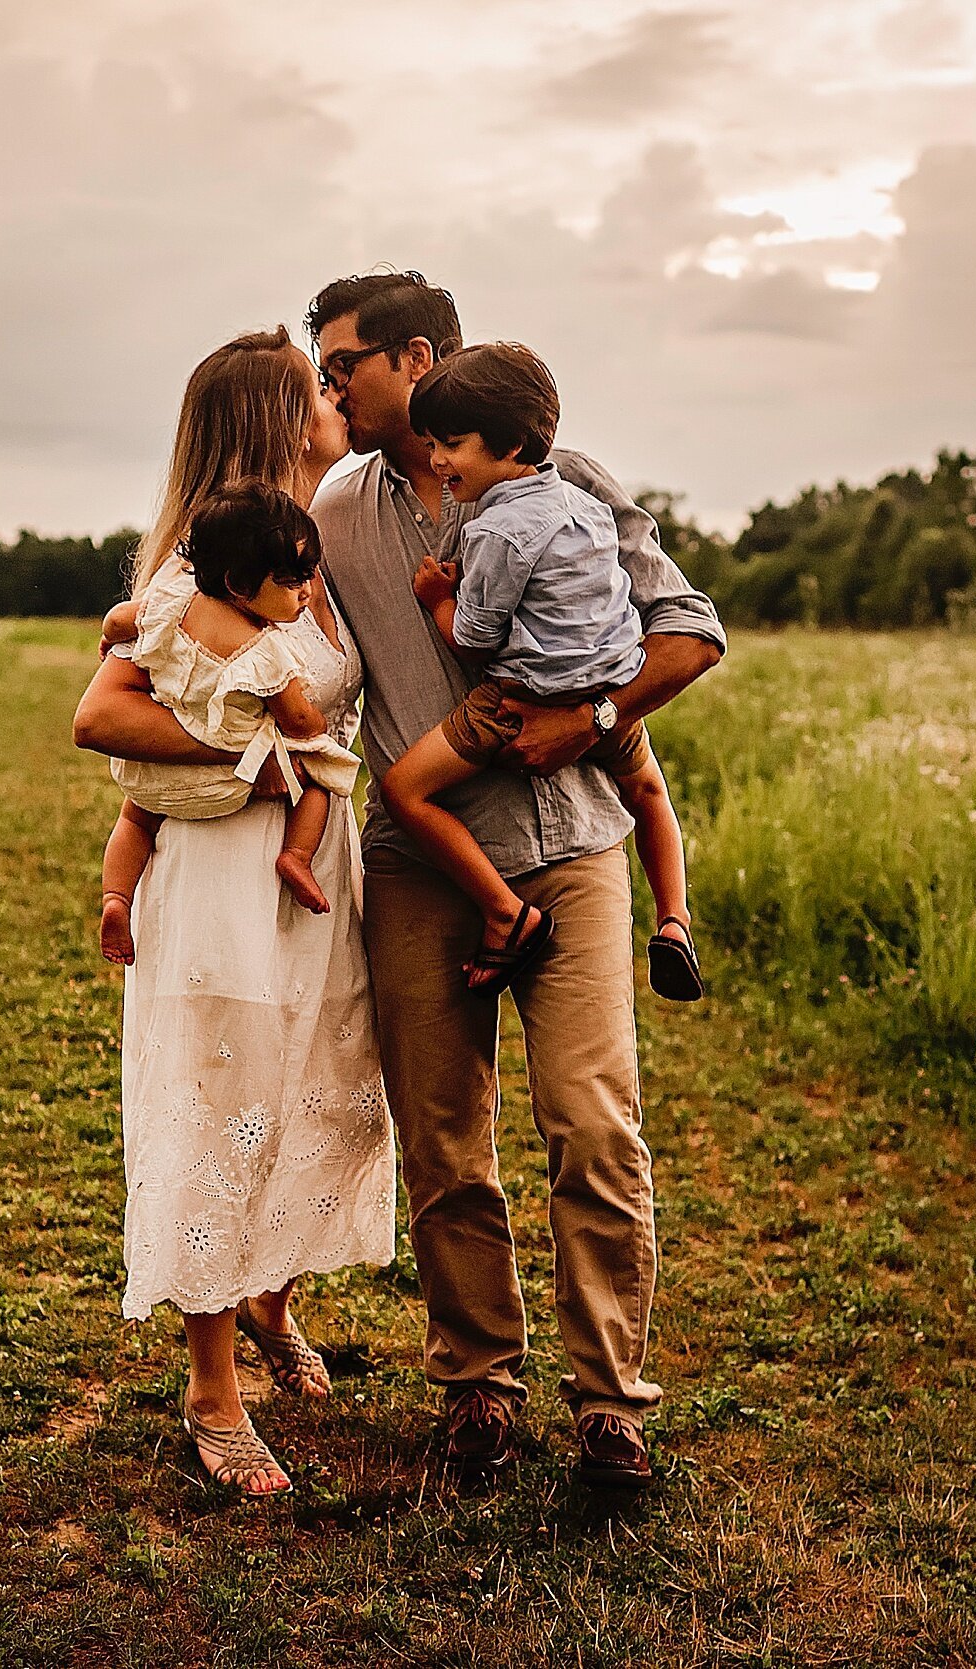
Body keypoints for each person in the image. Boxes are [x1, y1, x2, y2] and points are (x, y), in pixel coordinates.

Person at [307, 272, 724, 1492]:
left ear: (416, 359)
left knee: (593, 1124)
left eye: (343, 364)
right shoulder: (336, 515)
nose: (330, 385)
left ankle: (610, 1406)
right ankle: (479, 1385)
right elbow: (261, 609)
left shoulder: (572, 483)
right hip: (423, 865)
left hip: (574, 837)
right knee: (442, 1139)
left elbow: (689, 631)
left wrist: (592, 712)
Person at [74, 326, 393, 1500]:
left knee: (315, 1082)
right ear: (273, 419)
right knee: (224, 1094)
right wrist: (261, 756)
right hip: (223, 876)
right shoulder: (202, 573)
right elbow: (99, 719)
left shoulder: (309, 547)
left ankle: (270, 1295)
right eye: (314, 386)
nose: (334, 394)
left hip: (318, 871)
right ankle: (210, 1390)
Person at [379, 341, 704, 1002]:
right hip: (607, 692)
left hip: (518, 700)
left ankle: (506, 914)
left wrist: (439, 599)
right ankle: (674, 919)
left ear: (510, 444)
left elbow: (473, 639)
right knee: (647, 794)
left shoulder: (494, 533)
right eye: (433, 443)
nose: (439, 460)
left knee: (403, 792)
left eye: (454, 444)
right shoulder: (587, 506)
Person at [93, 484, 361, 966]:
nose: (308, 590)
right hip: (236, 777)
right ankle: (295, 857)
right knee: (321, 780)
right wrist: (313, 724)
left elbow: (117, 619)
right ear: (239, 585)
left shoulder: (173, 605)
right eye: (291, 580)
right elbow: (299, 719)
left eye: (309, 575)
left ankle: (116, 896)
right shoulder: (266, 651)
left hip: (165, 770)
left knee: (134, 818)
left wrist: (111, 638)